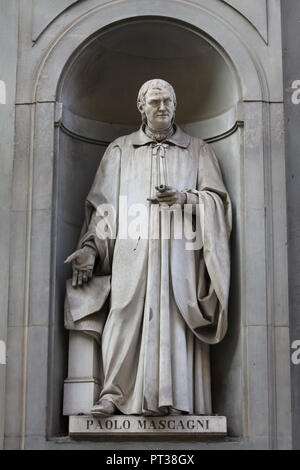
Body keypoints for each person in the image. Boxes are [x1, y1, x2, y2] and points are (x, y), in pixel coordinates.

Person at [65, 79, 232, 417]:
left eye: (168, 100)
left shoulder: (198, 150)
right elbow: (104, 209)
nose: (162, 107)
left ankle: (178, 399)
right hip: (132, 254)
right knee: (123, 316)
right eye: (154, 101)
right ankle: (113, 395)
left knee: (175, 321)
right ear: (141, 106)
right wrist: (90, 250)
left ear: (176, 105)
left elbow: (218, 202)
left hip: (180, 257)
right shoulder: (120, 150)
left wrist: (185, 198)